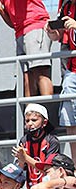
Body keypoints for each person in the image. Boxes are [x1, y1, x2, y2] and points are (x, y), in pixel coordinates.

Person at [13, 103, 60, 189]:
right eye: (27, 121)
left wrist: (26, 157)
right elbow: (19, 169)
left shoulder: (52, 141)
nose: (30, 124)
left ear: (44, 122)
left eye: (34, 120)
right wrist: (21, 160)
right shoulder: (24, 141)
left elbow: (48, 168)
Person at [0, 0, 52, 97]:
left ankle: (48, 109)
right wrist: (0, 10)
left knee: (40, 72)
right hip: (20, 32)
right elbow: (13, 23)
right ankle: (30, 111)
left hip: (35, 26)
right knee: (26, 77)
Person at [49, 11, 76, 156]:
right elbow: (60, 36)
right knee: (70, 120)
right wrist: (53, 33)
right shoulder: (66, 4)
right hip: (71, 72)